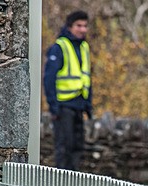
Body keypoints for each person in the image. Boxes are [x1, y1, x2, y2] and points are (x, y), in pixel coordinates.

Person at [44, 10, 93, 171]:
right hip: (63, 106)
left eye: (85, 26)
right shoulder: (60, 47)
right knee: (64, 147)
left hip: (79, 105)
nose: (83, 30)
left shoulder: (84, 47)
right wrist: (53, 107)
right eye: (79, 26)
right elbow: (49, 79)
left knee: (77, 148)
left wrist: (88, 104)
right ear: (69, 26)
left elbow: (86, 77)